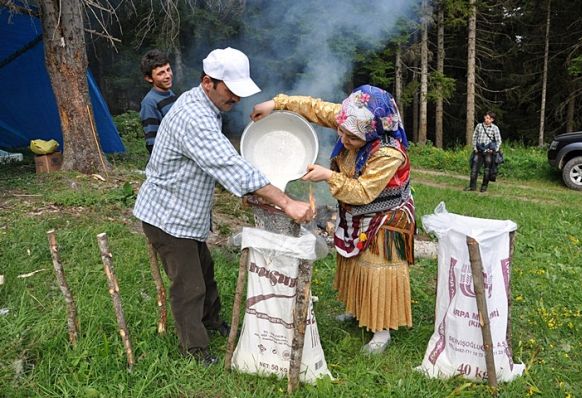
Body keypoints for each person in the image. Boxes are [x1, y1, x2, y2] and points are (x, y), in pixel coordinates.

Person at [133, 47, 314, 366]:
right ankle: (195, 349)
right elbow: (229, 164)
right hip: (167, 215)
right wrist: (285, 202)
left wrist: (248, 192)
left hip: (185, 211)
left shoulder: (203, 104)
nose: (237, 99)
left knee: (205, 271)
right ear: (208, 82)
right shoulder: (194, 117)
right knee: (189, 286)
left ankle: (213, 322)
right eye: (231, 92)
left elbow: (212, 164)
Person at [251, 85, 415, 355]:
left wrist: (328, 176)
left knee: (376, 269)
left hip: (385, 216)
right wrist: (275, 104)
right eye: (341, 131)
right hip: (356, 213)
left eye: (351, 138)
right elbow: (314, 108)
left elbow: (362, 192)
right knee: (354, 264)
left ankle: (381, 329)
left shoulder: (389, 153)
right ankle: (360, 312)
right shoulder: (353, 117)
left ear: (372, 132)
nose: (342, 137)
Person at [139, 49, 177, 155]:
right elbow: (152, 143)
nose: (168, 75)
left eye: (168, 69)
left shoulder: (170, 93)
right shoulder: (149, 103)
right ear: (149, 78)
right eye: (161, 73)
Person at [465, 111, 502, 192]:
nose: (487, 119)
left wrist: (494, 150)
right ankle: (472, 186)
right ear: (484, 117)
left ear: (492, 120)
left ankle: (484, 187)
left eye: (489, 118)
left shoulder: (495, 128)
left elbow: (498, 141)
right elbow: (474, 137)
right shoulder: (479, 126)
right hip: (478, 151)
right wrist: (475, 147)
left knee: (487, 170)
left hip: (489, 152)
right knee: (474, 169)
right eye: (486, 117)